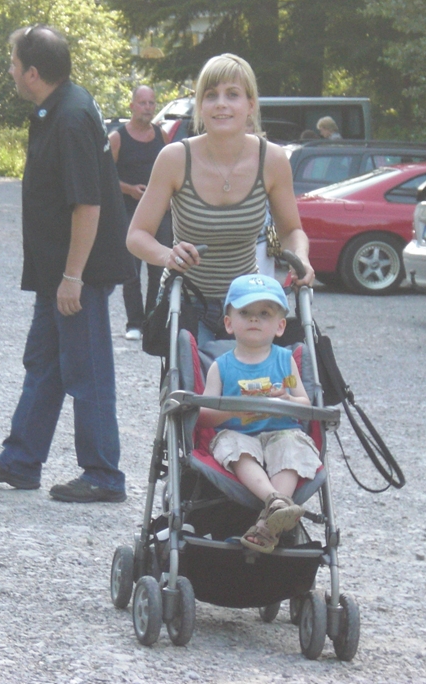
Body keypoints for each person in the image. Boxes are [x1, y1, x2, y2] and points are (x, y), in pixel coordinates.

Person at [0, 25, 133, 503]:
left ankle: (103, 474)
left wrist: (73, 278)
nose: (10, 71)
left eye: (14, 64)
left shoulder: (71, 117)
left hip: (77, 275)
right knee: (44, 364)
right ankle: (21, 460)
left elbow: (88, 205)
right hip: (56, 273)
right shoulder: (58, 106)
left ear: (33, 73)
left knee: (87, 371)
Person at [126, 53, 313, 345]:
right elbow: (137, 235)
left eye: (233, 94)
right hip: (186, 301)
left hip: (246, 303)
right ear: (200, 105)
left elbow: (291, 230)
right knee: (192, 371)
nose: (221, 103)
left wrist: (300, 258)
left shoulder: (271, 160)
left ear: (251, 105)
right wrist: (168, 256)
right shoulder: (175, 158)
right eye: (211, 95)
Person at [201, 274, 315, 554]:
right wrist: (233, 408)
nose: (254, 319)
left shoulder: (285, 362)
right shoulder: (221, 367)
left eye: (264, 313)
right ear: (229, 323)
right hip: (239, 433)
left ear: (280, 326)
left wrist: (288, 399)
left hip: (281, 432)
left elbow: (304, 402)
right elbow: (203, 416)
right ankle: (275, 501)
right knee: (232, 446)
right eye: (245, 312)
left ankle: (268, 522)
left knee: (293, 447)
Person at [109, 85, 171, 340]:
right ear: (132, 105)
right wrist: (129, 189)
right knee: (131, 269)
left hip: (159, 211)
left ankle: (152, 322)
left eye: (151, 103)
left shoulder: (162, 136)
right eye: (143, 103)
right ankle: (134, 323)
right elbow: (104, 177)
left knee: (159, 267)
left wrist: (170, 197)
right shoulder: (117, 138)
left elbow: (173, 172)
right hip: (129, 210)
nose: (147, 108)